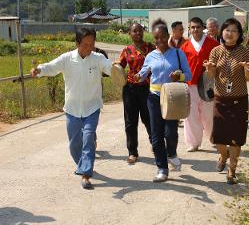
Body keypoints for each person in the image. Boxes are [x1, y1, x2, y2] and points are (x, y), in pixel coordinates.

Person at [30, 27, 112, 189]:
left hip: (92, 107)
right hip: (72, 108)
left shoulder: (97, 59)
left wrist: (117, 69)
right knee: (75, 144)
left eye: (92, 44)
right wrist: (39, 70)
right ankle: (82, 164)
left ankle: (86, 174)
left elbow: (109, 67)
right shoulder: (67, 59)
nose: (89, 48)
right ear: (77, 43)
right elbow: (51, 67)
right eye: (85, 44)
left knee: (88, 138)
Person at [136, 19, 192, 182]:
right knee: (156, 135)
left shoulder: (177, 53)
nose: (159, 41)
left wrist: (179, 75)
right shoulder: (150, 56)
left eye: (162, 37)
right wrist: (138, 76)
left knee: (171, 133)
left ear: (168, 35)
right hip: (154, 98)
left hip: (173, 97)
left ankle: (172, 153)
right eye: (156, 38)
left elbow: (188, 75)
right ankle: (162, 168)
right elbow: (143, 73)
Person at [204, 18, 249, 185]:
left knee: (236, 138)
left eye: (234, 30)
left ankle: (232, 170)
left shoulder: (245, 52)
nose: (230, 33)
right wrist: (210, 69)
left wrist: (247, 70)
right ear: (222, 32)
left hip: (239, 101)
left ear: (239, 34)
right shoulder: (216, 51)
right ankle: (223, 155)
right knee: (218, 138)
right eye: (227, 30)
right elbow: (211, 76)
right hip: (220, 99)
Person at [180, 17, 220, 152]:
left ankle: (212, 137)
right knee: (191, 115)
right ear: (189, 29)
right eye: (193, 27)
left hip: (208, 84)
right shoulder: (184, 47)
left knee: (209, 113)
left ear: (203, 28)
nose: (195, 30)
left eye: (198, 27)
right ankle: (194, 142)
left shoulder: (213, 44)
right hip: (190, 84)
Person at [116, 23, 153, 164]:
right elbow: (120, 66)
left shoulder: (150, 48)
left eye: (140, 30)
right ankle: (132, 152)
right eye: (134, 31)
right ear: (129, 34)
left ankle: (155, 145)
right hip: (130, 89)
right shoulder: (127, 50)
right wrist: (113, 67)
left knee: (149, 119)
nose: (138, 33)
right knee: (130, 122)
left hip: (147, 89)